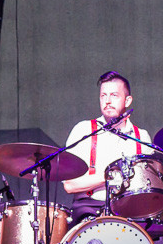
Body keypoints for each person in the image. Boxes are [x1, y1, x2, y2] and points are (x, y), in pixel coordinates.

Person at [62, 71, 153, 224]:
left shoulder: (141, 137)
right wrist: (110, 176)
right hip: (90, 210)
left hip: (132, 212)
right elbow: (69, 185)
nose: (108, 101)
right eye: (103, 96)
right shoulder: (84, 130)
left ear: (127, 100)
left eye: (114, 95)